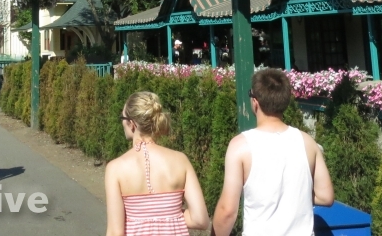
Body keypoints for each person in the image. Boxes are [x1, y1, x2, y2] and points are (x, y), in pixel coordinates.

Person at [211, 69, 335, 236]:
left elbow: (227, 211)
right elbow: (326, 196)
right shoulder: (307, 142)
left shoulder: (240, 145)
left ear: (255, 102)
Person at [104, 91, 209, 236]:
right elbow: (200, 220)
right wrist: (169, 215)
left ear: (132, 123)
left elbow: (115, 232)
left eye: (123, 118)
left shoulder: (115, 169)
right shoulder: (180, 160)